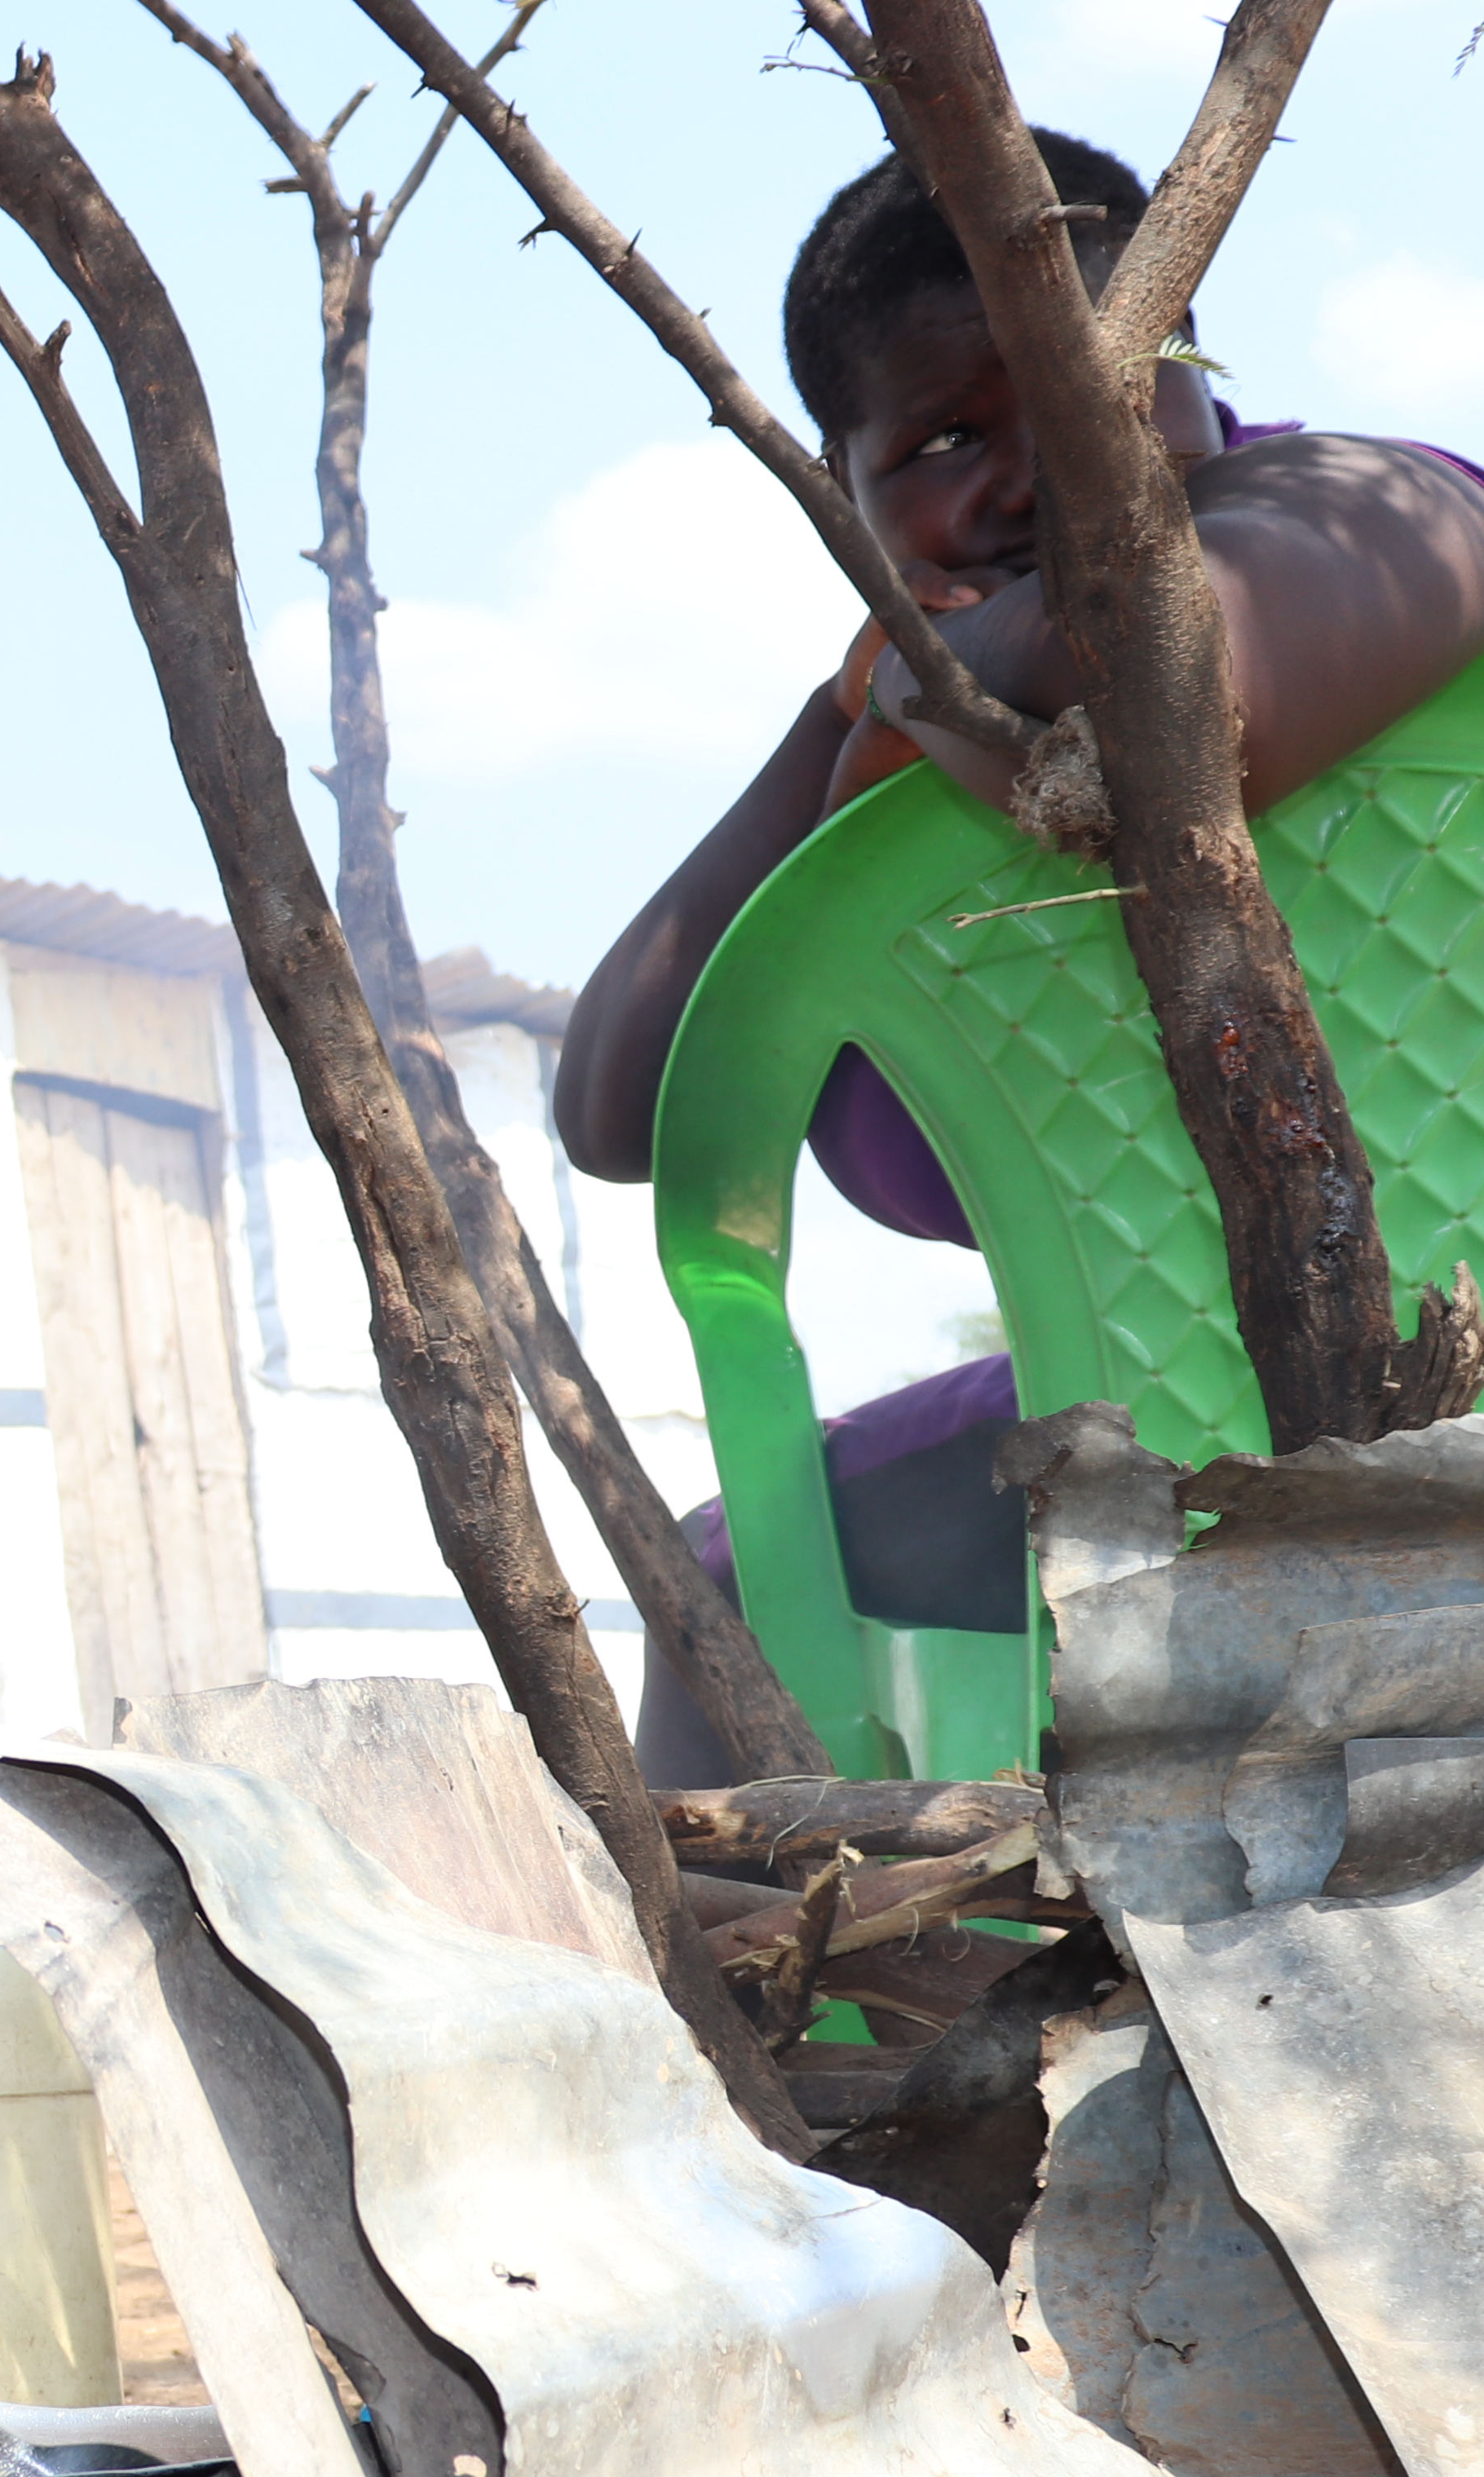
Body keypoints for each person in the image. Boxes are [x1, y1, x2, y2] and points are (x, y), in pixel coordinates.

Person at [555, 133, 1484, 1777]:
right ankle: (774, 2028)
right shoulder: (897, 754)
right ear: (841, 494)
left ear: (1194, 359)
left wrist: (911, 688)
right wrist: (856, 694)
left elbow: (1188, 721)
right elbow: (622, 1101)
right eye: (947, 437)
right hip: (1165, 1452)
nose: (1041, 469)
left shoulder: (1386, 510)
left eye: (1092, 385)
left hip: (1436, 1380)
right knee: (719, 1587)